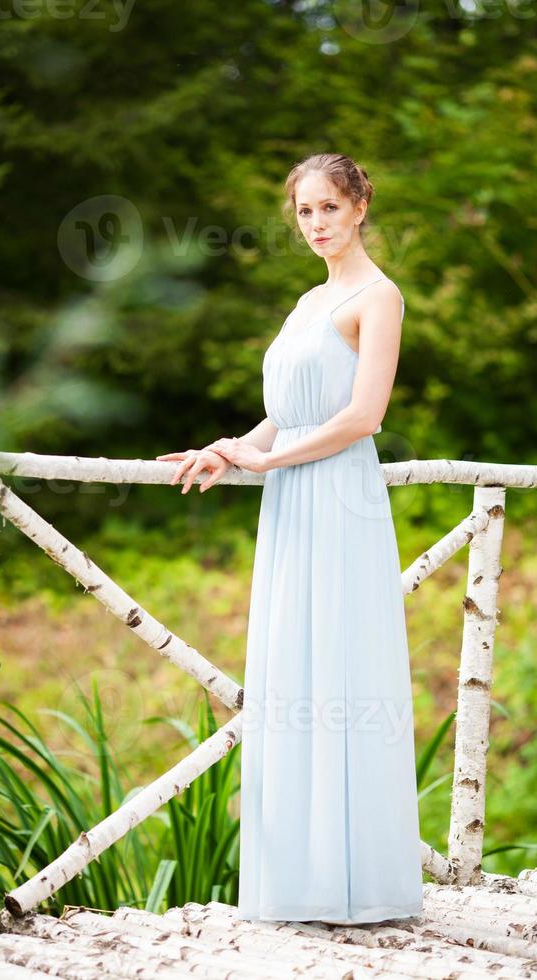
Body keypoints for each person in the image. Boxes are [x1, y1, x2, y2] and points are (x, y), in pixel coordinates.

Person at [156, 152, 423, 926]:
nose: (316, 225)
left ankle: (360, 883)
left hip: (338, 493)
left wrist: (272, 459)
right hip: (290, 493)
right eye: (305, 212)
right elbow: (288, 409)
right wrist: (230, 447)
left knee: (340, 666)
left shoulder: (381, 297)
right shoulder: (309, 300)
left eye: (329, 209)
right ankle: (298, 882)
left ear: (361, 206)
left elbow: (362, 416)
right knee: (292, 666)